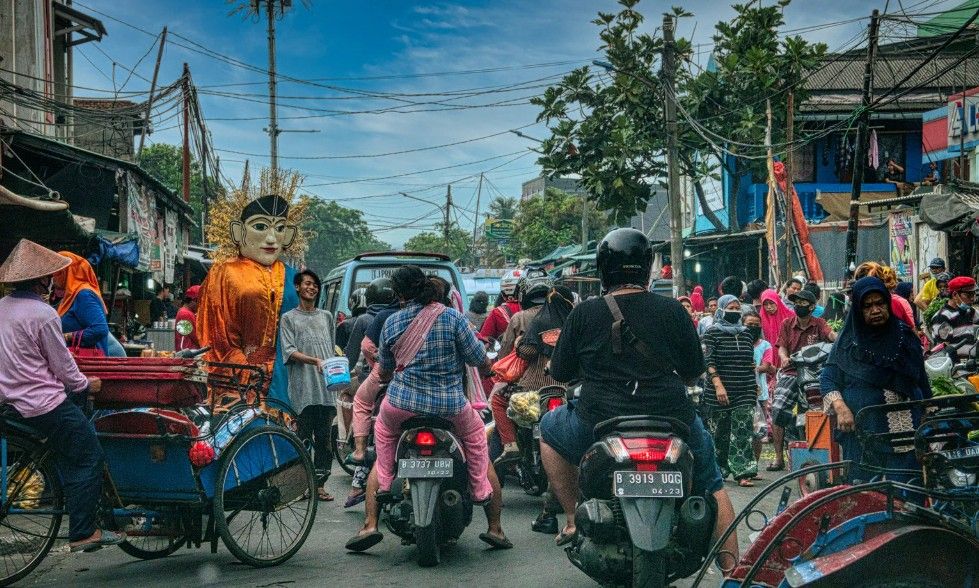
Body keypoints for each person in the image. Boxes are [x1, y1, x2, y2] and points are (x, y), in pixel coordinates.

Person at [539, 228, 738, 565]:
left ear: (603, 268)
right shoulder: (673, 310)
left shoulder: (584, 313)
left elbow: (559, 372)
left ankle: (572, 519)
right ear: (647, 268)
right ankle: (734, 574)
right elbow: (693, 371)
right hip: (672, 418)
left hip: (597, 420)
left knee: (547, 429)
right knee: (712, 483)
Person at [346, 266, 510, 552]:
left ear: (398, 294)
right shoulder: (453, 318)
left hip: (401, 406)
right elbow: (478, 358)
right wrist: (487, 368)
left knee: (383, 439)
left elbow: (384, 371)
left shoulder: (392, 322)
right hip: (449, 407)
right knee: (476, 440)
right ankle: (491, 519)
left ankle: (372, 519)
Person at [0, 239, 124, 552]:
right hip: (43, 404)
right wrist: (85, 385)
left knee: (68, 449)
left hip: (9, 403)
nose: (52, 282)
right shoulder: (43, 314)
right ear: (39, 280)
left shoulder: (1, 309)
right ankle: (84, 531)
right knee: (89, 455)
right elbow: (63, 366)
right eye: (48, 278)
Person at [197, 192, 301, 413]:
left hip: (285, 379)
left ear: (289, 235)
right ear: (238, 231)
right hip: (240, 381)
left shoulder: (293, 278)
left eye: (280, 228)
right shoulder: (224, 273)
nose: (271, 238)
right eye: (260, 226)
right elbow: (216, 337)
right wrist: (247, 368)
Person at [820, 277, 930, 483]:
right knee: (865, 493)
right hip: (863, 435)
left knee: (908, 490)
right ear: (858, 310)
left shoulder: (905, 337)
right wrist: (841, 408)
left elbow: (922, 380)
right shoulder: (848, 342)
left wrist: (928, 416)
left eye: (880, 303)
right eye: (868, 306)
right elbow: (828, 379)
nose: (876, 310)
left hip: (904, 431)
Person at [280, 269, 337, 502]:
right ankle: (302, 486)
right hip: (302, 389)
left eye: (315, 284)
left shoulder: (327, 317)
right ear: (297, 287)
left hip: (326, 390)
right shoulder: (289, 318)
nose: (312, 287)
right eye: (307, 283)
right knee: (302, 440)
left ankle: (319, 485)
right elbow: (289, 351)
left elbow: (331, 349)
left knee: (324, 442)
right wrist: (315, 361)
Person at [769, 288, 836, 471]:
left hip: (815, 373)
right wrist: (784, 358)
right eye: (796, 302)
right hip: (791, 371)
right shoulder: (787, 323)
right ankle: (778, 457)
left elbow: (831, 335)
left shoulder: (819, 323)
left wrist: (838, 338)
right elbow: (782, 347)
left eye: (802, 303)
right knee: (778, 409)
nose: (798, 306)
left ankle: (818, 453)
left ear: (812, 306)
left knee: (819, 411)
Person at [493, 279, 553, 464]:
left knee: (497, 401)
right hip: (562, 384)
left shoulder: (519, 318)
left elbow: (504, 352)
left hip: (526, 387)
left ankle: (511, 446)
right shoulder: (565, 315)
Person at [702, 295, 759, 486]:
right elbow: (709, 361)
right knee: (720, 432)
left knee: (743, 430)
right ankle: (720, 469)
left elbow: (750, 362)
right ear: (721, 310)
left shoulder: (746, 333)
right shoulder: (712, 333)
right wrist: (718, 385)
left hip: (745, 388)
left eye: (737, 308)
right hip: (719, 390)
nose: (734, 311)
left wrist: (754, 385)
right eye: (730, 308)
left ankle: (743, 472)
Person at [53, 252, 120, 357]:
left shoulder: (83, 295)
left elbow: (100, 329)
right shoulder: (70, 297)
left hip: (89, 362)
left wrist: (67, 336)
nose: (53, 277)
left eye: (58, 272)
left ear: (69, 272)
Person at [743, 308, 775, 461]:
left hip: (760, 393)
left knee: (758, 431)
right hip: (741, 392)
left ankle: (755, 463)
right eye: (749, 324)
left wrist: (753, 367)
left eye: (756, 325)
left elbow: (766, 366)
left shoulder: (765, 345)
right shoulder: (738, 342)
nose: (753, 327)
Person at [929, 276, 979, 363]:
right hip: (955, 365)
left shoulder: (969, 311)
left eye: (973, 295)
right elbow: (944, 347)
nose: (972, 299)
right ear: (955, 295)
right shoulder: (942, 316)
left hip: (971, 363)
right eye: (968, 295)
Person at [854, 262, 914, 328]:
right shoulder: (855, 308)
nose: (875, 311)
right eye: (867, 306)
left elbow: (910, 329)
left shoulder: (896, 303)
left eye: (880, 303)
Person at [479, 270, 522, 344]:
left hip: (505, 351)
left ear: (503, 292)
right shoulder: (535, 309)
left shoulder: (497, 312)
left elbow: (484, 339)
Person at [174, 285, 201, 351]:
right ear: (193, 300)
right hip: (189, 352)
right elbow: (195, 337)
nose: (200, 305)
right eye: (200, 302)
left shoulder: (182, 312)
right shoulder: (185, 314)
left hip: (186, 351)